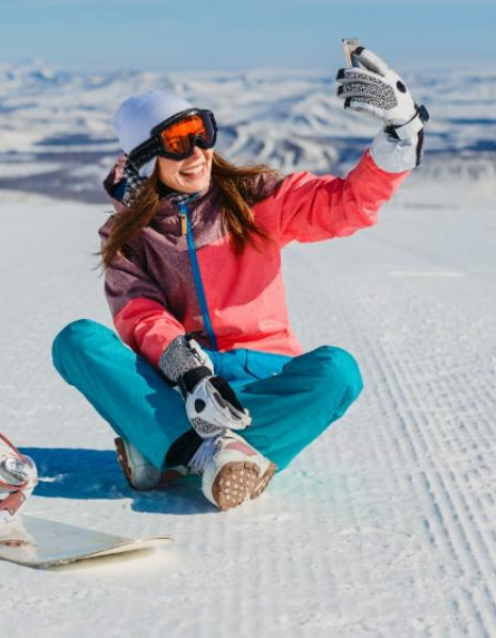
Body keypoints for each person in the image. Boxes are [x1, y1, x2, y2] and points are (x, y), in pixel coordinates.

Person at [51, 47, 429, 511]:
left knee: (338, 372)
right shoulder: (130, 234)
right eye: (178, 143)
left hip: (261, 380)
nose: (198, 153)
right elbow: (139, 312)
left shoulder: (251, 198)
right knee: (78, 342)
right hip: (183, 385)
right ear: (149, 160)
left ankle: (168, 448)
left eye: (202, 134)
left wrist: (400, 136)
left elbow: (346, 203)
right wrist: (187, 370)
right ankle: (211, 454)